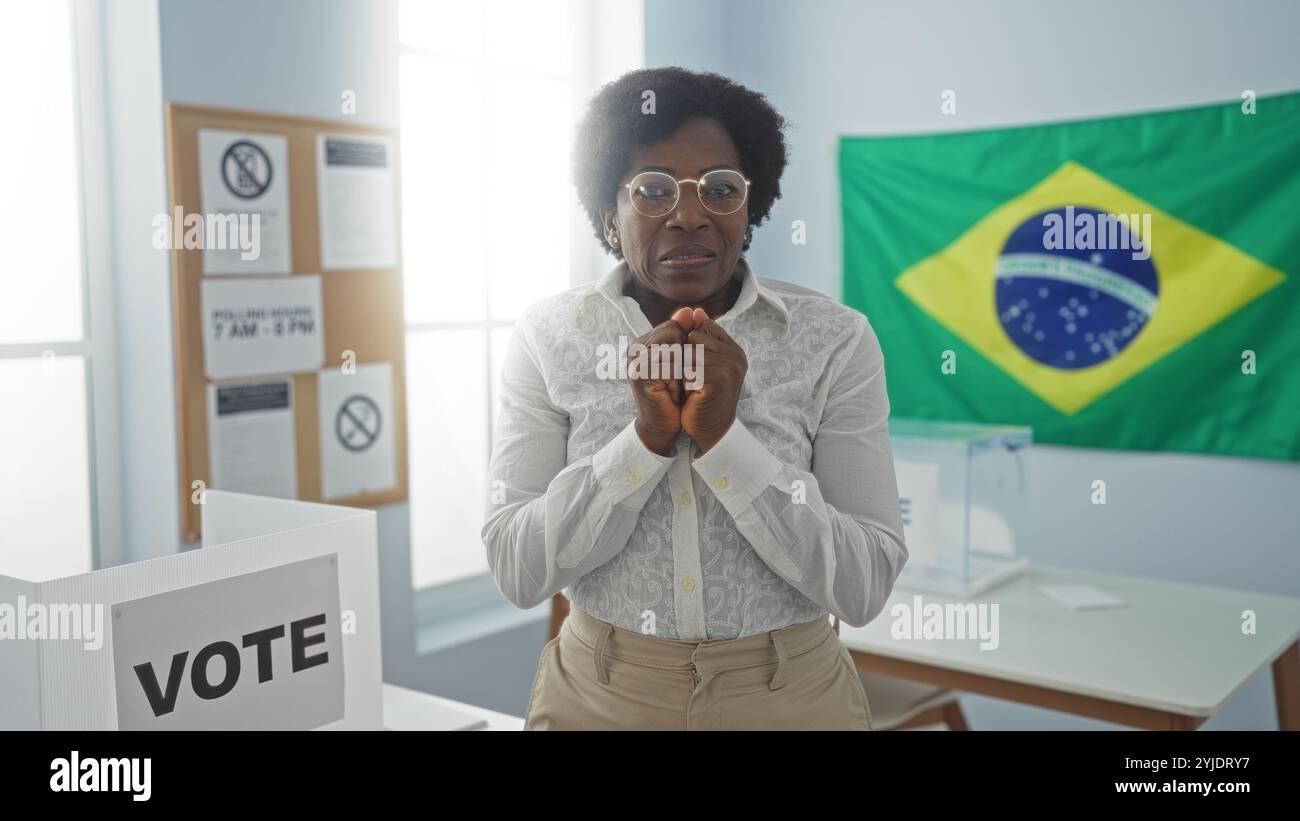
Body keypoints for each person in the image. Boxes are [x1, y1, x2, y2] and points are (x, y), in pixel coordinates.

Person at [481, 66, 907, 730]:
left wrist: (725, 443)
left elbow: (864, 584)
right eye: (652, 190)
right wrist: (643, 441)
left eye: (719, 189)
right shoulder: (548, 337)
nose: (687, 213)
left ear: (750, 206)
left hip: (791, 696)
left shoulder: (835, 339)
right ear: (608, 216)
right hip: (600, 694)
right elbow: (517, 568)